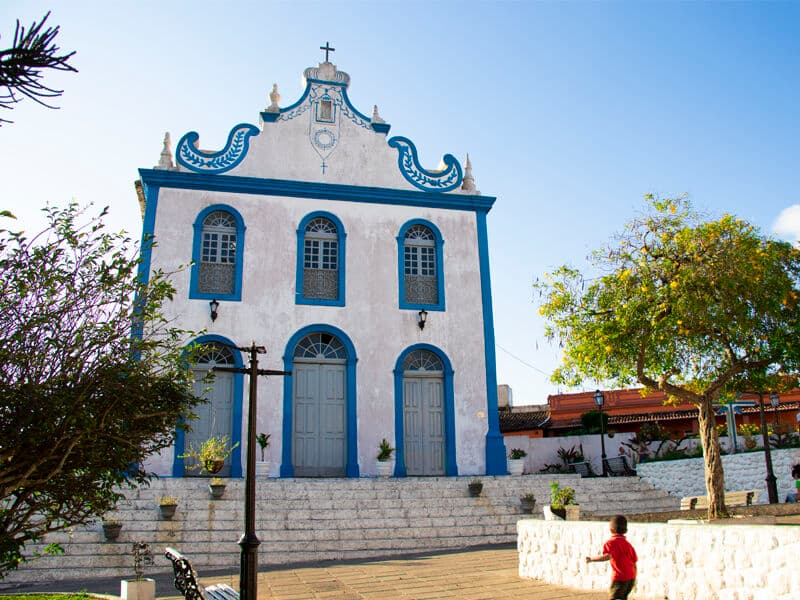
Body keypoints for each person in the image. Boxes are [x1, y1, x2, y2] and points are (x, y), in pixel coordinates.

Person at [586, 514, 638, 600]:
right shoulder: (628, 545)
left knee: (614, 597)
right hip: (631, 578)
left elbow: (607, 556)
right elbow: (634, 563)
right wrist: (634, 578)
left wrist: (591, 559)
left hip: (619, 577)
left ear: (611, 529)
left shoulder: (611, 543)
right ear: (626, 530)